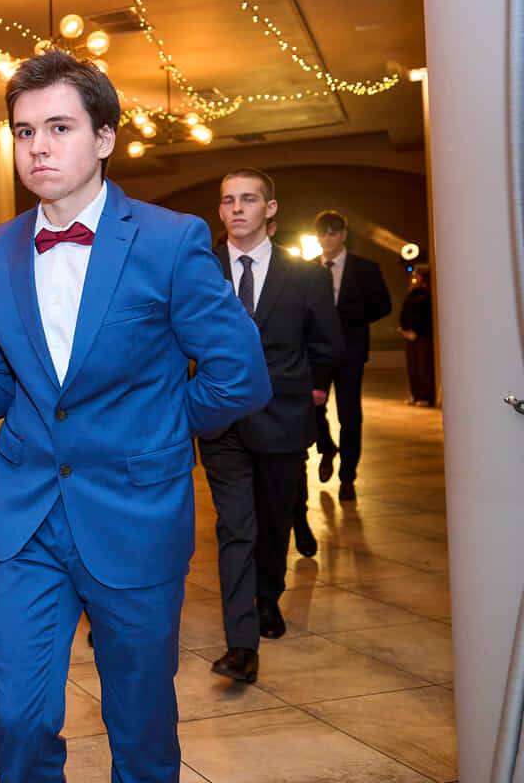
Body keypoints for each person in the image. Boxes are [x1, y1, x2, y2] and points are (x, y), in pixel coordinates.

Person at [0, 51, 270, 782]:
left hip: (135, 512)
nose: (39, 147)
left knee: (140, 726)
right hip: (27, 516)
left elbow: (240, 374)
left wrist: (157, 428)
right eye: (25, 132)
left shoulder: (169, 240)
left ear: (105, 137)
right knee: (18, 718)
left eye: (60, 127)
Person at [199, 171, 343, 684]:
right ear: (221, 210)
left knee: (275, 519)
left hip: (281, 418)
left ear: (270, 207)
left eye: (248, 199)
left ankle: (267, 596)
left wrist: (312, 391)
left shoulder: (304, 275)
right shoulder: (201, 270)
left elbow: (327, 345)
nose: (237, 208)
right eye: (228, 200)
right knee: (235, 526)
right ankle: (242, 644)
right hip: (220, 423)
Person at [312, 210, 392, 502]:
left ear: (343, 235)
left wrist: (351, 318)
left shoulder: (365, 268)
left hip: (350, 352)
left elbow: (383, 305)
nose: (327, 238)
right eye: (322, 233)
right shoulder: (307, 269)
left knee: (350, 416)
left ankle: (348, 477)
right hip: (317, 353)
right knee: (312, 408)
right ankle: (326, 447)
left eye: (332, 232)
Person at [399, 265, 434, 406]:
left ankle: (425, 396)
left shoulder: (427, 294)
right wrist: (404, 329)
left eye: (416, 275)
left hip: (422, 334)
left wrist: (416, 330)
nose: (414, 277)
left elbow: (425, 315)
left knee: (423, 366)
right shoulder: (412, 292)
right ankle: (416, 394)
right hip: (409, 334)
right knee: (413, 366)